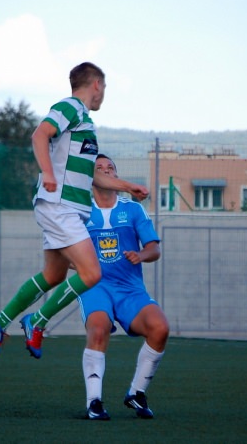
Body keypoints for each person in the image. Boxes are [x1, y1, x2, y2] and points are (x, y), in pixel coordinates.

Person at [0, 62, 149, 361]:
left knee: (54, 274)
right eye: (104, 88)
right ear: (96, 84)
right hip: (60, 206)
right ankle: (37, 322)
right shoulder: (70, 106)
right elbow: (39, 135)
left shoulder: (84, 120)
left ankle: (0, 322)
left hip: (67, 208)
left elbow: (91, 175)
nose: (103, 95)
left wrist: (127, 186)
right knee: (92, 272)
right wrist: (47, 172)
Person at [78, 154, 169, 421]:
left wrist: (140, 255)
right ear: (92, 178)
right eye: (99, 169)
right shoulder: (81, 210)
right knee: (98, 327)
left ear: (116, 176)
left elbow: (154, 249)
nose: (106, 171)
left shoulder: (133, 209)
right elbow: (64, 254)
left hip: (130, 288)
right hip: (96, 286)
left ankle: (136, 393)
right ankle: (94, 401)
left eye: (111, 168)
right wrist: (82, 265)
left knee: (160, 328)